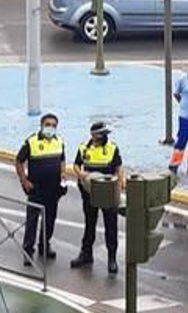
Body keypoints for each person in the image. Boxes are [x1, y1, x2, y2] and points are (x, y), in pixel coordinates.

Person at [70, 121, 124, 274]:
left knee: (111, 226)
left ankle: (112, 259)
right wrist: (81, 174)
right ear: (94, 135)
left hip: (108, 192)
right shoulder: (84, 148)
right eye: (102, 134)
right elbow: (76, 165)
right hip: (89, 192)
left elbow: (119, 168)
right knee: (90, 224)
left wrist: (119, 186)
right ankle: (86, 254)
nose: (105, 137)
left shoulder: (112, 148)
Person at [15, 112, 68, 266]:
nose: (50, 128)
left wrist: (63, 173)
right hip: (36, 189)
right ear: (41, 125)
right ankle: (28, 250)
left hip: (54, 189)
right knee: (32, 220)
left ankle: (44, 245)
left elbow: (62, 159)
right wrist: (24, 180)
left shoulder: (59, 141)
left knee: (50, 219)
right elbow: (18, 161)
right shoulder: (31, 142)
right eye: (48, 125)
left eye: (54, 125)